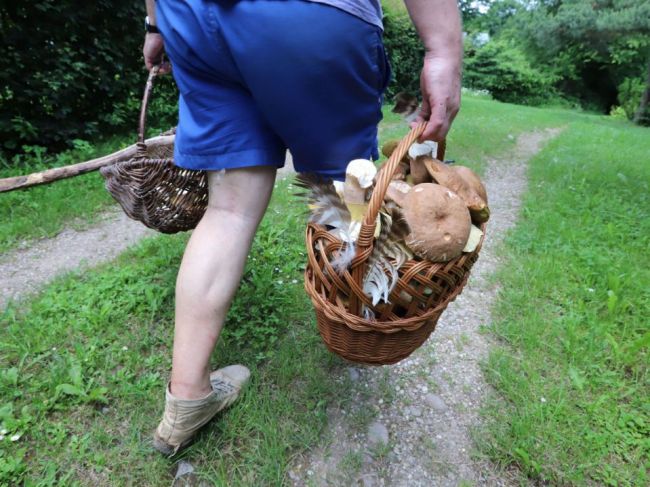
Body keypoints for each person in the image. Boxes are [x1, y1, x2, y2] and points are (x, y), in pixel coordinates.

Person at [142, 0, 462, 455]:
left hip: (191, 16)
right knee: (346, 190)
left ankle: (186, 398)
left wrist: (155, 22)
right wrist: (444, 51)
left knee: (229, 210)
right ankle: (360, 319)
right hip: (310, 16)